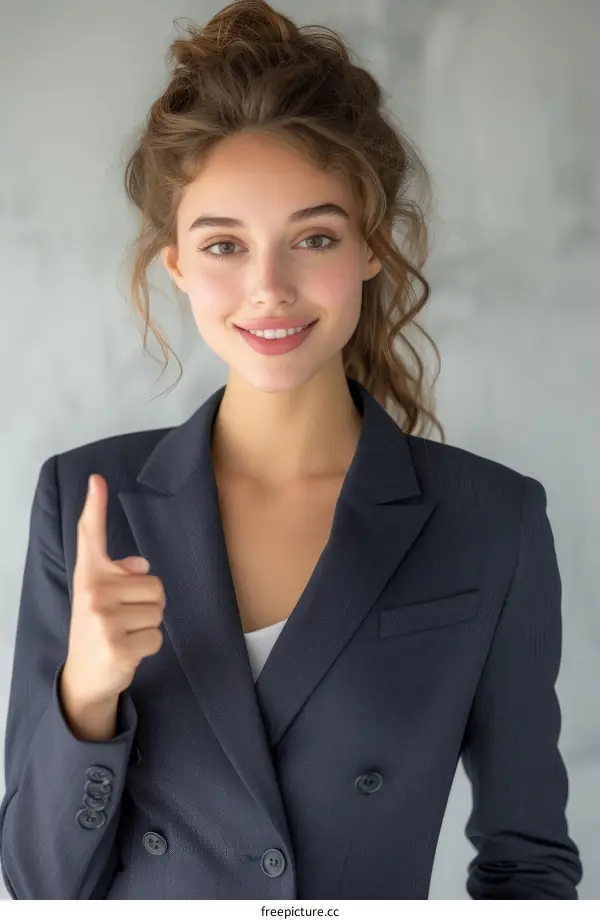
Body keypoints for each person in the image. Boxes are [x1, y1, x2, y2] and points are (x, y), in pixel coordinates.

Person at [0, 0, 583, 901]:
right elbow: (37, 886)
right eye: (225, 245)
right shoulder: (88, 498)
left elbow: (528, 862)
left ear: (372, 248)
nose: (268, 290)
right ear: (178, 266)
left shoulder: (491, 521)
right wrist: (88, 692)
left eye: (313, 238)